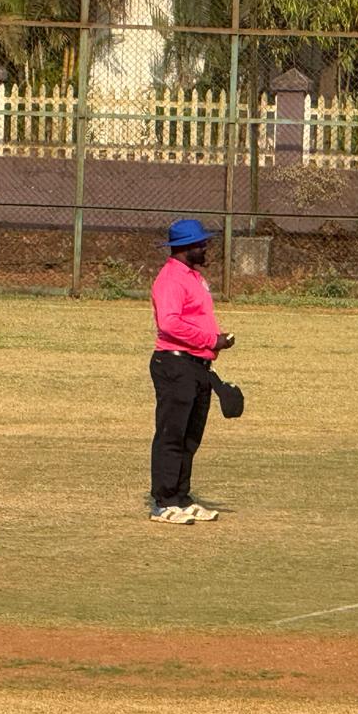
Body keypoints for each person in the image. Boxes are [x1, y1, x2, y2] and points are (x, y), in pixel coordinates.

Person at [148, 219, 236, 525]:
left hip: (197, 364)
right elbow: (169, 323)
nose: (206, 248)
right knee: (172, 434)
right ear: (186, 247)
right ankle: (163, 502)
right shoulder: (171, 279)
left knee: (189, 437)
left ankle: (181, 498)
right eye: (201, 244)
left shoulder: (193, 277)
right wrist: (211, 340)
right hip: (175, 364)